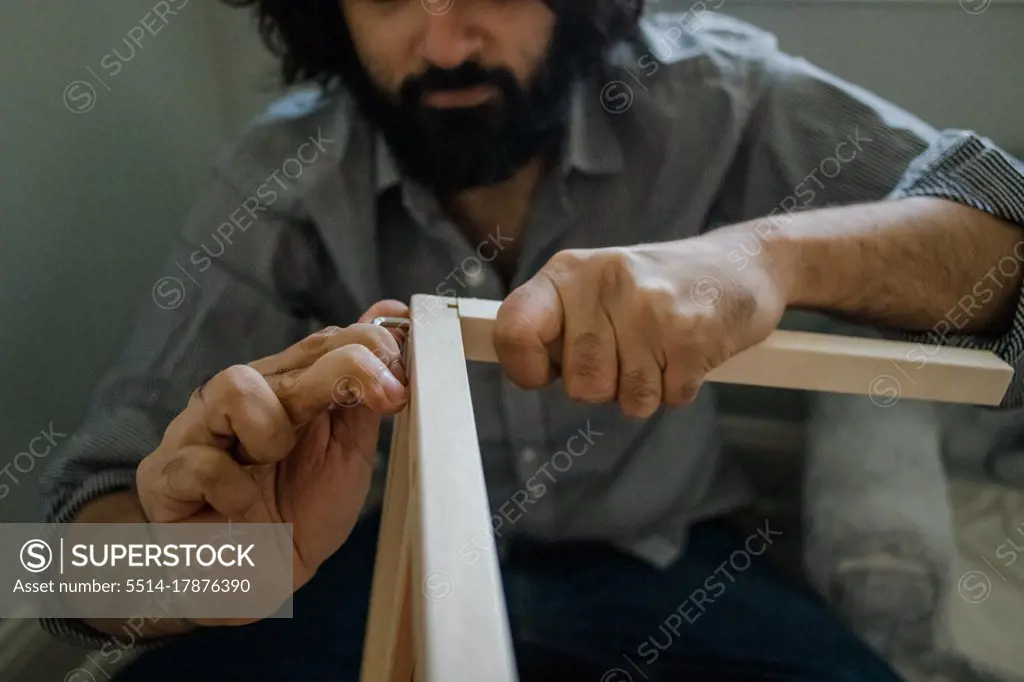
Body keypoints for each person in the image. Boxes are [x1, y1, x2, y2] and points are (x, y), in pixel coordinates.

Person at [41, 0, 1024, 680]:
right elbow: (55, 574)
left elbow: (1006, 232)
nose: (444, 39)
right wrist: (217, 568)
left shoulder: (720, 95)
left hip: (668, 565)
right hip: (367, 568)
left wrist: (764, 261)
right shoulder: (276, 173)